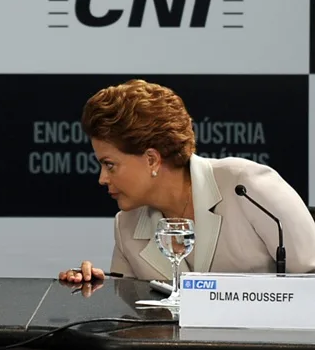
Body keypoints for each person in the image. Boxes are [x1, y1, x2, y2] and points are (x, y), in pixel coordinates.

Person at [59, 79, 315, 282]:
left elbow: (310, 276)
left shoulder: (248, 186)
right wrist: (96, 289)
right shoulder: (126, 226)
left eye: (109, 164)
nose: (102, 178)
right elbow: (128, 321)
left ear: (151, 160)